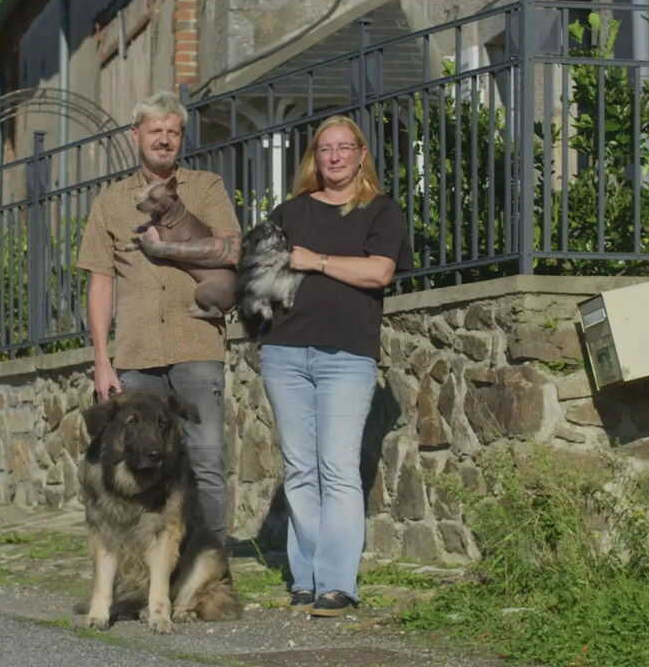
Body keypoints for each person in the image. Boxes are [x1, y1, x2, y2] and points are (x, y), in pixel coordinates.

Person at [257, 115, 412, 617]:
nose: (336, 156)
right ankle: (305, 579)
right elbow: (261, 276)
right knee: (300, 469)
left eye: (345, 147)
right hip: (284, 354)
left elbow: (379, 272)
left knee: (339, 468)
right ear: (314, 158)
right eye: (326, 149)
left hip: (347, 356)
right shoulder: (288, 212)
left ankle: (337, 584)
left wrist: (317, 261)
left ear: (362, 154)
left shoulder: (380, 211)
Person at [76, 90, 240, 544]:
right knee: (139, 465)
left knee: (205, 460)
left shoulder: (206, 188)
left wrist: (168, 248)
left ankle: (209, 570)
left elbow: (231, 248)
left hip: (197, 342)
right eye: (155, 131)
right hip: (136, 353)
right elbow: (100, 281)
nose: (164, 140)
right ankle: (149, 574)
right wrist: (102, 360)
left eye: (172, 132)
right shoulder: (110, 202)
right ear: (136, 136)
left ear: (182, 138)